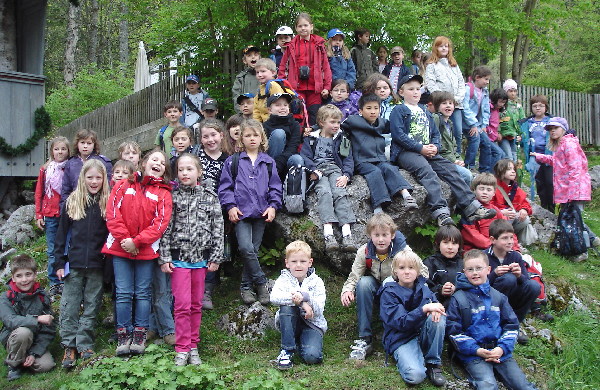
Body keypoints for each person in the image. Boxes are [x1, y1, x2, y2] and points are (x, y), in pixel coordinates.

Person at [389, 74, 495, 226]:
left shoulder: (424, 111)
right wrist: (420, 148)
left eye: (418, 89)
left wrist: (435, 146)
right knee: (427, 171)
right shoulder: (399, 110)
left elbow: (435, 134)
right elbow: (398, 135)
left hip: (428, 151)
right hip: (407, 153)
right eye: (411, 89)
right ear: (401, 92)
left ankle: (471, 207)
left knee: (451, 168)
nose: (415, 92)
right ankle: (440, 212)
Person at [103, 149, 173, 356]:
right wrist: (125, 240)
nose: (158, 163)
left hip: (145, 250)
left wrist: (137, 242)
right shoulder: (123, 186)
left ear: (164, 171)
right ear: (143, 163)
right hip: (120, 247)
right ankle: (124, 334)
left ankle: (140, 334)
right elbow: (112, 214)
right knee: (123, 293)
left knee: (143, 293)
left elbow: (160, 224)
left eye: (162, 162)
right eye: (154, 159)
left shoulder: (164, 193)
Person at [159, 153, 224, 366]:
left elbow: (218, 228)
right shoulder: (173, 197)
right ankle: (182, 347)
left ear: (199, 172)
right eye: (181, 170)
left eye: (189, 169)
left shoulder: (210, 196)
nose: (185, 173)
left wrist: (215, 256)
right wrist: (165, 257)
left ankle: (193, 345)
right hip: (179, 260)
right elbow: (166, 229)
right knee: (182, 305)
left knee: (196, 304)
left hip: (202, 261)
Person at [446, 249, 538, 390]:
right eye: (470, 269)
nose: (475, 272)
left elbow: (511, 326)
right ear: (464, 272)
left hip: (500, 352)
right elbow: (453, 331)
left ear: (488, 269)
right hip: (473, 355)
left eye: (479, 268)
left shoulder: (499, 297)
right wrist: (477, 350)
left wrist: (501, 348)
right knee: (488, 385)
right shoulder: (458, 299)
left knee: (522, 385)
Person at [218, 119, 283, 305]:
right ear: (241, 139)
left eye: (256, 135)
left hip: (262, 213)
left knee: (253, 250)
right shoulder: (234, 161)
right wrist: (230, 206)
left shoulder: (268, 162)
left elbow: (276, 188)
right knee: (246, 248)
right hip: (241, 214)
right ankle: (261, 283)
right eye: (248, 135)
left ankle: (246, 286)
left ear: (262, 137)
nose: (252, 138)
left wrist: (273, 206)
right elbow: (225, 188)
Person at [54, 159, 109, 368]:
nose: (94, 181)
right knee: (69, 304)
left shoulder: (107, 202)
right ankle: (69, 345)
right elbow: (60, 236)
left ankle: (84, 342)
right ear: (82, 178)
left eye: (98, 177)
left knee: (92, 304)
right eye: (90, 177)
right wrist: (59, 262)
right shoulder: (72, 201)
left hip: (97, 264)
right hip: (74, 263)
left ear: (104, 179)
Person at [340, 213, 410, 360]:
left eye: (385, 234)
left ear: (392, 235)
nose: (380, 239)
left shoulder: (403, 251)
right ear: (370, 235)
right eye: (376, 235)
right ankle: (365, 338)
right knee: (363, 283)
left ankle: (392, 331)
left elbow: (421, 271)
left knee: (389, 282)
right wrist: (347, 290)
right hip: (375, 286)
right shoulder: (364, 251)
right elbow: (355, 275)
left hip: (396, 289)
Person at [531, 117, 599, 261]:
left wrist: (572, 193)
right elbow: (557, 162)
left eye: (555, 128)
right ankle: (592, 240)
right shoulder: (562, 145)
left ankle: (582, 252)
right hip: (566, 191)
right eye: (550, 129)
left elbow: (575, 169)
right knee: (574, 219)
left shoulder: (569, 144)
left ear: (563, 129)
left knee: (574, 219)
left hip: (574, 191)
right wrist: (540, 157)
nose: (552, 131)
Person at [379, 249, 447, 387]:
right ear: (395, 271)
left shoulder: (424, 288)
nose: (407, 271)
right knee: (415, 376)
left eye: (411, 268)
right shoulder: (389, 292)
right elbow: (400, 322)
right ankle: (412, 360)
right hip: (401, 338)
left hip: (422, 334)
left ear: (417, 271)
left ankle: (433, 363)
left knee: (438, 317)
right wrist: (424, 310)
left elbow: (437, 305)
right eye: (402, 268)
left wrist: (437, 309)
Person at [341, 94, 416, 213]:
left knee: (389, 168)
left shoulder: (382, 123)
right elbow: (338, 127)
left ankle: (406, 195)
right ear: (360, 110)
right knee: (374, 172)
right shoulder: (352, 121)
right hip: (362, 160)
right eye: (369, 108)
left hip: (380, 158)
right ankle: (378, 206)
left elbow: (397, 128)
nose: (373, 111)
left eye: (376, 108)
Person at [300, 105, 356, 251]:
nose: (336, 125)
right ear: (321, 122)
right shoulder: (311, 139)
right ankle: (328, 233)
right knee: (324, 193)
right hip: (318, 171)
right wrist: (312, 170)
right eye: (332, 122)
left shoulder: (342, 138)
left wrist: (346, 175)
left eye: (338, 122)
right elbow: (305, 157)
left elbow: (348, 158)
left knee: (339, 192)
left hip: (335, 170)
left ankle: (346, 233)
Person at [270, 241, 326, 370]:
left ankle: (303, 343)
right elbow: (274, 297)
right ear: (287, 263)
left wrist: (305, 297)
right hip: (290, 322)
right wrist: (301, 303)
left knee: (312, 357)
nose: (298, 265)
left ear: (310, 262)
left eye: (303, 261)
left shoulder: (317, 282)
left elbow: (319, 309)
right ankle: (287, 351)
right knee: (286, 307)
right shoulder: (283, 279)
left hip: (312, 324)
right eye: (294, 261)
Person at [0, 255, 56, 381]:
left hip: (35, 341)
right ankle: (14, 365)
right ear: (13, 278)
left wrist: (34, 352)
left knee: (47, 365)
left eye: (28, 274)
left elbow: (49, 329)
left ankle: (23, 358)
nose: (24, 280)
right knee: (24, 332)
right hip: (14, 338)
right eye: (19, 276)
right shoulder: (5, 297)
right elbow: (10, 320)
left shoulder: (42, 296)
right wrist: (37, 319)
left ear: (35, 274)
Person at [485, 220, 541, 344]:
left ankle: (515, 323)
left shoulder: (515, 256)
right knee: (508, 279)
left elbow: (526, 281)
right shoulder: (484, 257)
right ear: (493, 240)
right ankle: (497, 322)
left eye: (511, 237)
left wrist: (519, 274)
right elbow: (479, 284)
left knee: (534, 286)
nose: (510, 241)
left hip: (512, 297)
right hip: (491, 297)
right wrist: (494, 274)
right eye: (504, 238)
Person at [196, 118, 229, 309]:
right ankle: (198, 287)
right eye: (205, 136)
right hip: (198, 210)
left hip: (221, 211)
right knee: (201, 247)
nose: (210, 139)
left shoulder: (229, 159)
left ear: (221, 136)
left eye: (213, 135)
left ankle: (209, 288)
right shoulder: (196, 158)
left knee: (217, 248)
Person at [278, 13, 332, 125]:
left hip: (315, 88)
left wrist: (327, 87)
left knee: (315, 116)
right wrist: (282, 85)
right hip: (296, 88)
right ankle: (299, 142)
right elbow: (283, 66)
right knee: (298, 116)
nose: (303, 28)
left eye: (306, 25)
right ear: (296, 28)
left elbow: (326, 67)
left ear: (311, 26)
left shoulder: (319, 44)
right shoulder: (291, 46)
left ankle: (313, 141)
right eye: (300, 26)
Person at [34, 136, 70, 297]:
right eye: (57, 149)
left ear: (68, 151)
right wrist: (38, 214)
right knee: (52, 249)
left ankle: (66, 279)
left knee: (67, 247)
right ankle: (54, 282)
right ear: (51, 151)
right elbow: (39, 192)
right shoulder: (45, 169)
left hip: (66, 213)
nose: (60, 152)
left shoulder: (70, 167)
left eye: (63, 149)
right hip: (50, 213)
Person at [424, 36, 466, 153]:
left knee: (457, 131)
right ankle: (442, 155)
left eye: (446, 46)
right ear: (436, 48)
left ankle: (457, 156)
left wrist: (457, 98)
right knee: (441, 130)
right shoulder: (431, 65)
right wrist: (442, 100)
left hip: (456, 105)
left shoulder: (454, 65)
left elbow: (461, 83)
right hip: (441, 105)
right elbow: (431, 85)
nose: (444, 48)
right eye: (441, 46)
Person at [461, 173, 518, 252]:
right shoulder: (470, 210)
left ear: (494, 193)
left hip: (497, 247)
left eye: (489, 190)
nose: (485, 192)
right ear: (474, 190)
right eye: (481, 189)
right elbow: (471, 234)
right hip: (475, 250)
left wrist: (515, 248)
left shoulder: (496, 211)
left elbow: (508, 231)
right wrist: (494, 246)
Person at [62, 129, 112, 207]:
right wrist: (65, 208)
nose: (85, 146)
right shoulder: (70, 163)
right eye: (82, 143)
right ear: (77, 144)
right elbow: (65, 189)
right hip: (76, 206)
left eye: (89, 143)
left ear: (94, 145)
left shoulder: (103, 163)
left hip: (97, 206)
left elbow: (108, 188)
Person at [431, 91, 473, 186]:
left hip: (451, 160)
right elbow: (437, 144)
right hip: (440, 160)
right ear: (437, 106)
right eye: (444, 103)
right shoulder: (436, 118)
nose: (448, 106)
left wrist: (459, 159)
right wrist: (453, 160)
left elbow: (454, 147)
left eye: (450, 103)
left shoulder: (449, 123)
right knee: (467, 176)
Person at [520, 95, 553, 210]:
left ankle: (552, 206)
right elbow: (523, 139)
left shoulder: (551, 121)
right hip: (534, 158)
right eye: (535, 106)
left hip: (549, 157)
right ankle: (544, 206)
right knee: (540, 183)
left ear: (546, 107)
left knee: (550, 182)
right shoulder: (526, 123)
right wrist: (520, 140)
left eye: (541, 106)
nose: (538, 108)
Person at [491, 159, 534, 245]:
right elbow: (488, 205)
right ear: (500, 171)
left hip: (510, 218)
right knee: (509, 217)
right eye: (509, 169)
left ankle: (514, 240)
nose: (513, 172)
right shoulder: (493, 186)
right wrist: (501, 212)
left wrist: (524, 210)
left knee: (525, 219)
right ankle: (505, 240)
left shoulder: (515, 188)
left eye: (514, 169)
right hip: (496, 219)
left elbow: (525, 203)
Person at [262, 93, 304, 177]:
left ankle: (292, 187)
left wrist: (279, 163)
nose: (282, 108)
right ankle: (270, 174)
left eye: (285, 105)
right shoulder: (264, 126)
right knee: (279, 134)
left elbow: (293, 148)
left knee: (298, 159)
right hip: (269, 161)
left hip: (285, 160)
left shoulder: (295, 125)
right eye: (278, 105)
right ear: (269, 110)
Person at [423, 225, 464, 308]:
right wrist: (440, 290)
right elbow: (423, 288)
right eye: (446, 242)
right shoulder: (430, 263)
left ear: (459, 245)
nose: (450, 247)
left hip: (459, 307)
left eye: (454, 243)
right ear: (438, 244)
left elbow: (469, 286)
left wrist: (456, 289)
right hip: (436, 307)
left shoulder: (463, 264)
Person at [462, 66, 493, 173]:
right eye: (486, 79)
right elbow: (465, 108)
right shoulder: (468, 89)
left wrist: (484, 125)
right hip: (467, 123)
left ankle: (484, 170)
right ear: (477, 78)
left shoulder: (484, 92)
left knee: (486, 143)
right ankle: (469, 166)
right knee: (475, 139)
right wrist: (473, 124)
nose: (487, 82)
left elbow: (486, 110)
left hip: (478, 124)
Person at [500, 79, 525, 161]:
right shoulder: (502, 106)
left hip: (515, 135)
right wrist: (499, 132)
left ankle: (514, 172)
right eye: (510, 91)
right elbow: (497, 120)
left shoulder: (518, 106)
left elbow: (523, 121)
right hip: (504, 135)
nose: (513, 93)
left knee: (515, 156)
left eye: (514, 91)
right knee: (508, 156)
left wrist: (521, 135)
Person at [253, 58, 285, 122]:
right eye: (257, 72)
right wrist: (256, 125)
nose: (259, 75)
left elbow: (280, 107)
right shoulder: (261, 89)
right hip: (265, 124)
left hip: (276, 123)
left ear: (273, 73)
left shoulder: (274, 86)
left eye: (263, 71)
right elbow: (256, 110)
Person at [232, 45, 261, 112]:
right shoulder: (241, 78)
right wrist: (242, 114)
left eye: (255, 55)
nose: (253, 57)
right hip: (247, 116)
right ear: (244, 61)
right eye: (249, 55)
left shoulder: (267, 75)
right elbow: (236, 98)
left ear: (260, 58)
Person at [486, 88, 509, 168]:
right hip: (487, 137)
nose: (502, 104)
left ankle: (498, 174)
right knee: (498, 153)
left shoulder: (497, 110)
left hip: (493, 137)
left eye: (504, 103)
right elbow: (487, 124)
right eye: (500, 102)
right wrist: (494, 135)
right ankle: (491, 175)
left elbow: (495, 125)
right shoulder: (489, 108)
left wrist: (497, 134)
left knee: (502, 155)